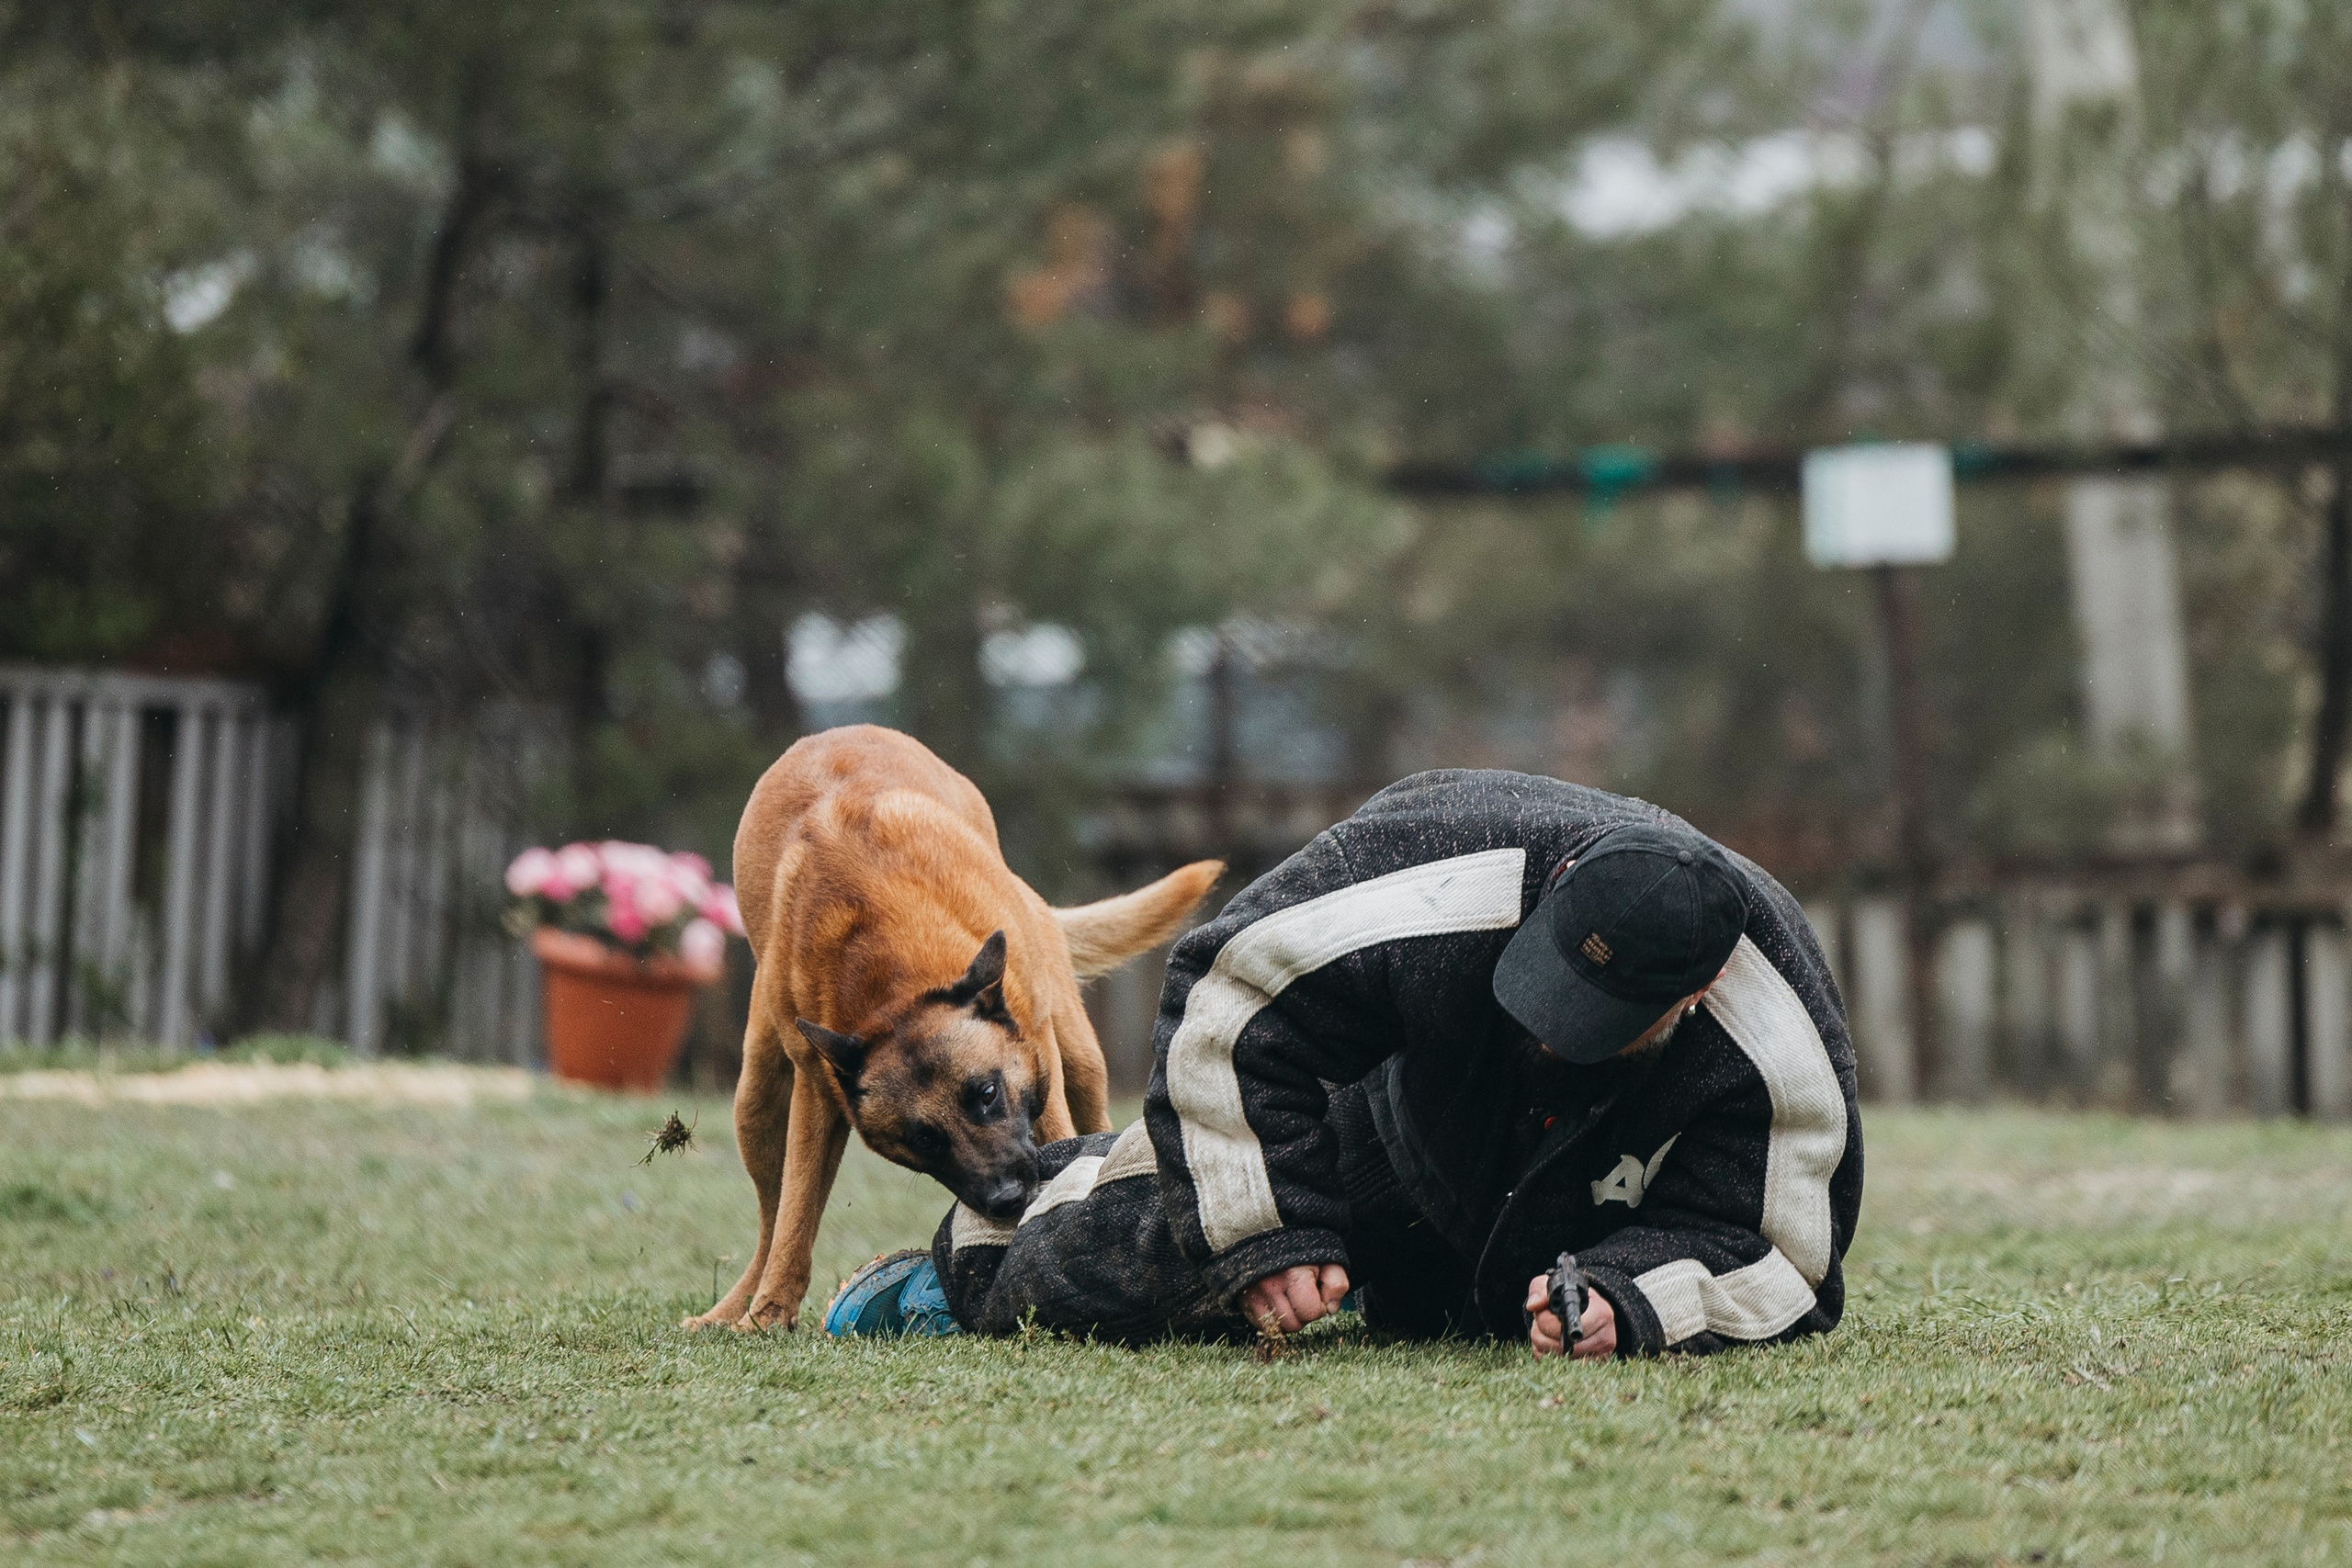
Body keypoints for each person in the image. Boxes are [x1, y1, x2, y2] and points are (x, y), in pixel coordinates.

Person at [823, 769, 1861, 1360]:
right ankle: (958, 1271)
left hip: (1574, 1228)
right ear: (1551, 892)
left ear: (1697, 994)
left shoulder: (1778, 1039)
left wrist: (1629, 1304)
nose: (1549, 1039)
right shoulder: (1444, 867)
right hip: (1390, 1119)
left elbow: (1777, 1253)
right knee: (1156, 1252)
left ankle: (1390, 1284)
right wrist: (1270, 1231)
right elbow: (1230, 995)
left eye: (1590, 1023)